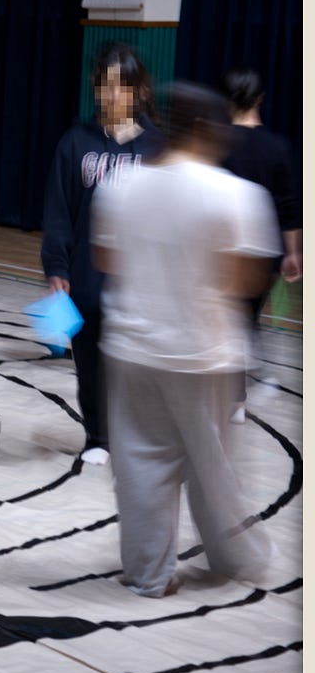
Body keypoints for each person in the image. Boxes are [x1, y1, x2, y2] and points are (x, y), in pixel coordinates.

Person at [92, 81, 278, 597]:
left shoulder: (119, 186)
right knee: (213, 466)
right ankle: (236, 559)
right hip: (204, 354)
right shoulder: (236, 195)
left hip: (130, 347)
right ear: (203, 129)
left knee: (139, 467)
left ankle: (150, 575)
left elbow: (106, 261)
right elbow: (241, 283)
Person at [40, 41, 162, 466]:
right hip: (87, 277)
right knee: (89, 363)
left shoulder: (158, 148)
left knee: (135, 364)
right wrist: (56, 268)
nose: (111, 96)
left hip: (142, 282)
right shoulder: (75, 143)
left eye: (121, 87)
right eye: (103, 86)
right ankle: (97, 435)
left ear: (138, 90)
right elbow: (58, 211)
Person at [218, 67, 302, 417]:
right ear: (259, 99)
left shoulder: (217, 143)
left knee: (224, 320)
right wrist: (293, 253)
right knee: (247, 318)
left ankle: (228, 390)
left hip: (222, 250)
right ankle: (236, 396)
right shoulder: (278, 147)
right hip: (264, 253)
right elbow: (289, 205)